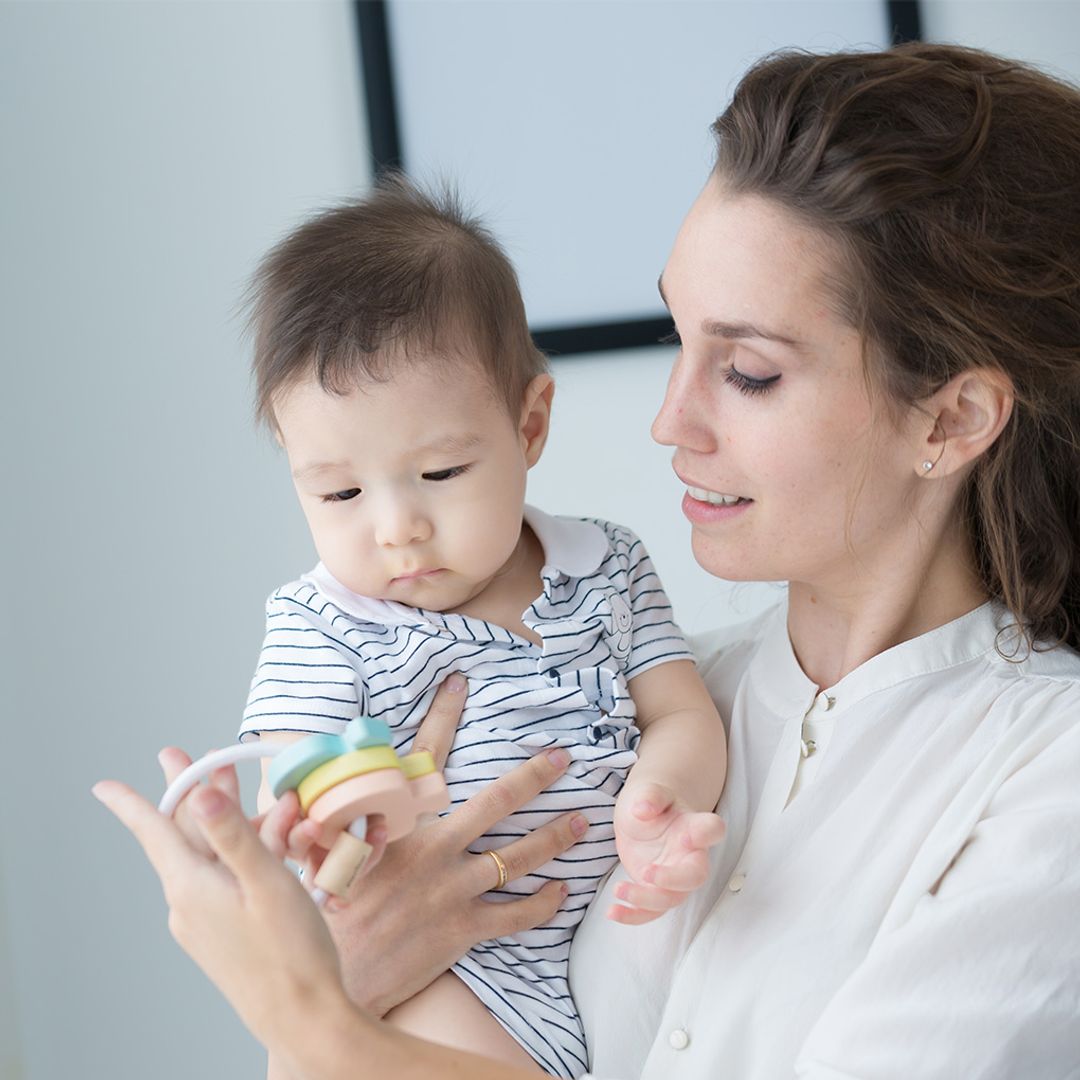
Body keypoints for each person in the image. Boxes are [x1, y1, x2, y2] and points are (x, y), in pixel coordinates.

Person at [95, 41, 1080, 1079]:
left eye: (746, 373)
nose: (669, 421)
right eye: (677, 340)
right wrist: (352, 970)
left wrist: (303, 1009)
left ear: (954, 418)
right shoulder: (627, 703)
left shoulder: (1046, 775)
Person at [208, 177, 728, 1078]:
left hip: (597, 962)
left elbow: (682, 713)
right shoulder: (324, 621)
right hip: (439, 972)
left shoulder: (607, 565)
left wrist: (661, 804)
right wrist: (327, 819)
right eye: (339, 492)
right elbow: (294, 776)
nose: (395, 526)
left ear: (530, 425)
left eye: (441, 472)